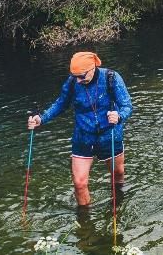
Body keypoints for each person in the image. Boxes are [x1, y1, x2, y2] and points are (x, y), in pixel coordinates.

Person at [26, 52, 133, 207]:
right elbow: (60, 104)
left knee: (118, 174)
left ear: (93, 68)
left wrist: (119, 116)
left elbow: (127, 106)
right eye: (74, 76)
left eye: (81, 76)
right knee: (79, 183)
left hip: (109, 135)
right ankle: (85, 221)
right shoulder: (72, 83)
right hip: (83, 136)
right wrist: (41, 118)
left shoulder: (111, 78)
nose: (78, 80)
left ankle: (118, 203)